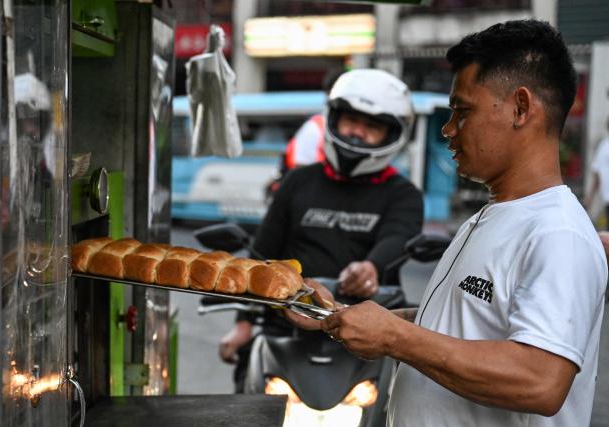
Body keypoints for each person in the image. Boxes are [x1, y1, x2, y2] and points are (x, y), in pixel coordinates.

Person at [288, 20, 607, 427]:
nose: (448, 129)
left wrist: (394, 337)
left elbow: (540, 381)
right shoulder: (487, 217)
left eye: (462, 111)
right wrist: (338, 313)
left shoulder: (557, 233)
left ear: (521, 108)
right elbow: (462, 324)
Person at [219, 69, 425, 391]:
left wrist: (371, 267)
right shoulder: (298, 181)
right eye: (351, 121)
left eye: (372, 126)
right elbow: (263, 254)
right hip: (284, 330)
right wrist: (243, 324)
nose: (358, 133)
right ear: (333, 119)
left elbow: (398, 237)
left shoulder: (404, 194)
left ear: (392, 135)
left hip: (366, 339)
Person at [584, 118, 609, 230]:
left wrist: (590, 197)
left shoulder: (604, 147)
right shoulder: (604, 146)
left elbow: (597, 175)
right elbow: (597, 174)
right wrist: (590, 197)